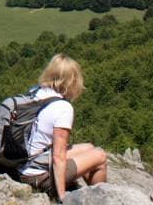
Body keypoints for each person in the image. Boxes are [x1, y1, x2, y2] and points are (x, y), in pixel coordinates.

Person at [16, 54, 108, 202]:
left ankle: (90, 194)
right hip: (37, 176)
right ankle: (101, 200)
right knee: (100, 156)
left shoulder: (35, 91)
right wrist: (62, 197)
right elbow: (58, 157)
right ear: (72, 81)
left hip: (23, 164)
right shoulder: (63, 108)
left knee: (89, 147)